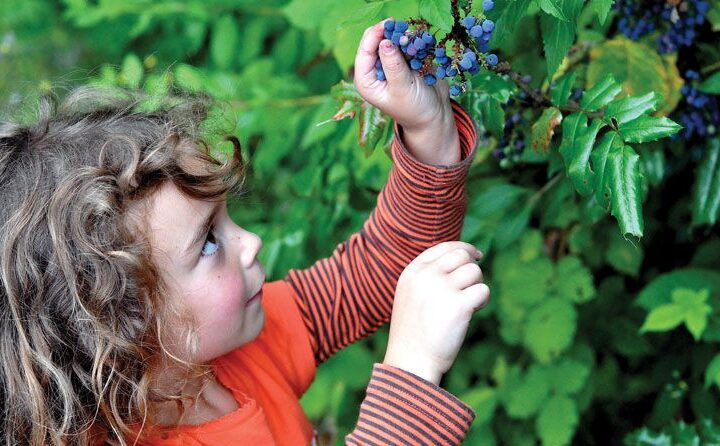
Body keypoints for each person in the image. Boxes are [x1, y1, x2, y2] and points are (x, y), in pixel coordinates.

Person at [0, 18, 489, 445]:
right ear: (120, 324)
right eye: (208, 240)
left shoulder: (229, 351)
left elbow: (377, 272)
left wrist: (430, 134)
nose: (251, 242)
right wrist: (411, 373)